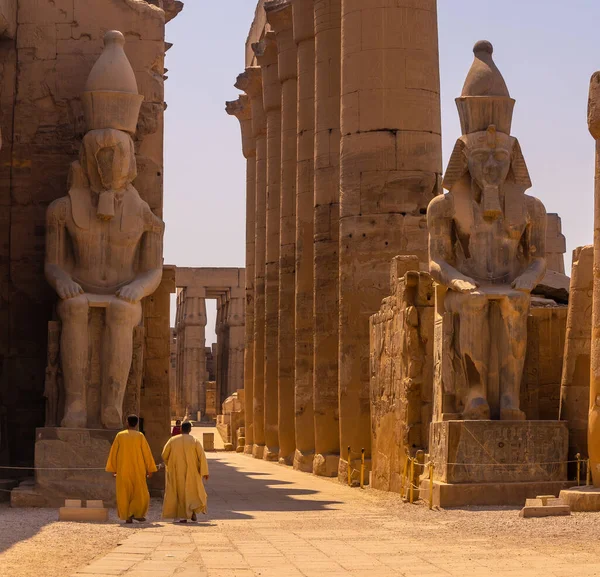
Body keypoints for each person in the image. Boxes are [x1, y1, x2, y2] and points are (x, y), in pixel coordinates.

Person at [106, 414, 157, 523]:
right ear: (137, 423)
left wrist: (113, 468)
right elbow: (146, 453)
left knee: (124, 493)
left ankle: (127, 516)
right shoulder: (140, 436)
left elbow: (113, 453)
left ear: (127, 422)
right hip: (138, 469)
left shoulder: (120, 436)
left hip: (123, 469)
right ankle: (138, 514)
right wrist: (150, 468)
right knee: (140, 492)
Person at [161, 421, 209, 523]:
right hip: (192, 472)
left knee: (179, 493)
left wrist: (169, 464)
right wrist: (204, 472)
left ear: (181, 429)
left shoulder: (172, 440)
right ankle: (192, 512)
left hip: (176, 471)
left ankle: (183, 515)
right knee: (192, 491)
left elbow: (164, 454)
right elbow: (202, 457)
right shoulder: (195, 441)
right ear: (190, 430)